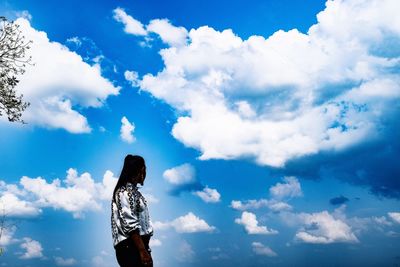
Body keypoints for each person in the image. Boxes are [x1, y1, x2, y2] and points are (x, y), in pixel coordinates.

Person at [111, 155, 154, 267]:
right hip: (131, 247)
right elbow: (131, 225)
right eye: (144, 169)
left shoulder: (135, 193)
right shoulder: (123, 192)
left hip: (139, 247)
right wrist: (142, 251)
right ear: (139, 171)